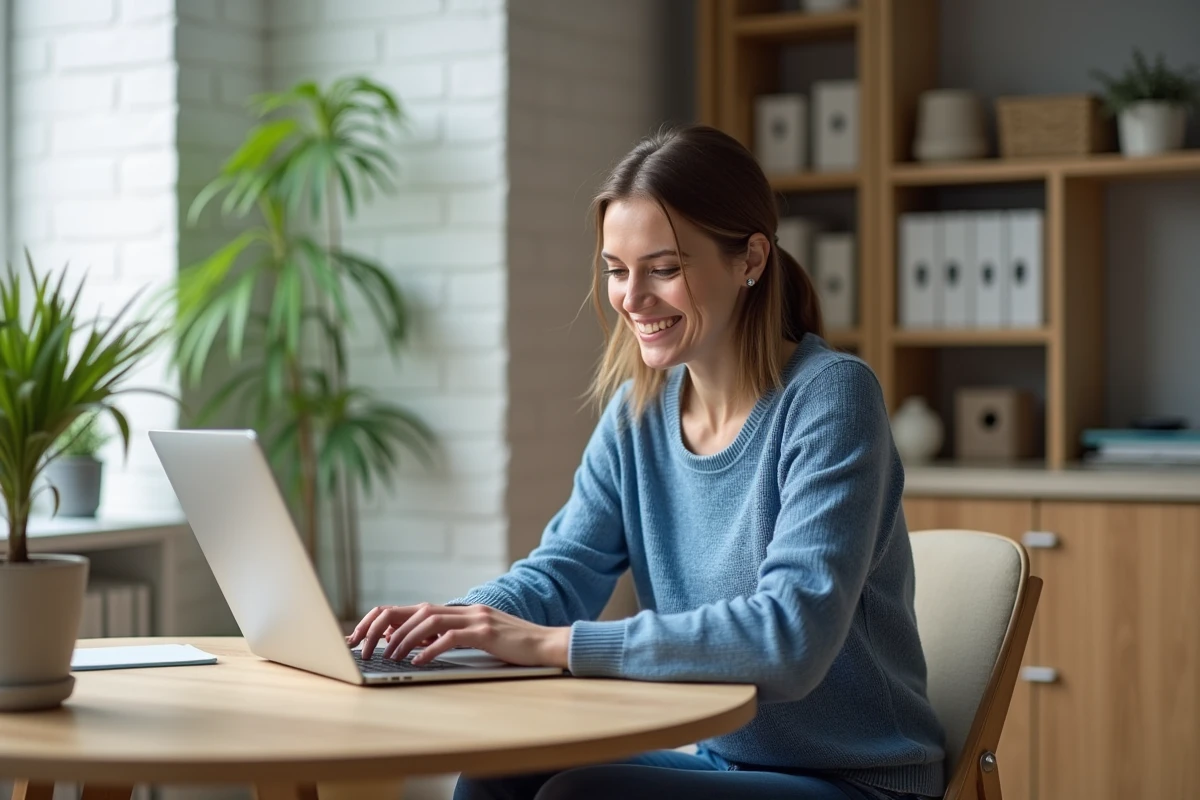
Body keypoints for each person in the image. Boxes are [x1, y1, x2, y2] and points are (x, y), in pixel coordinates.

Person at [348, 124, 946, 800]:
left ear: (750, 258)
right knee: (499, 779)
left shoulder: (831, 398)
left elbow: (791, 639)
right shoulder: (639, 411)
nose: (632, 298)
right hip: (732, 766)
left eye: (663, 268)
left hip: (859, 781)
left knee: (580, 798)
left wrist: (555, 646)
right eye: (616, 270)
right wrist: (451, 626)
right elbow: (561, 572)